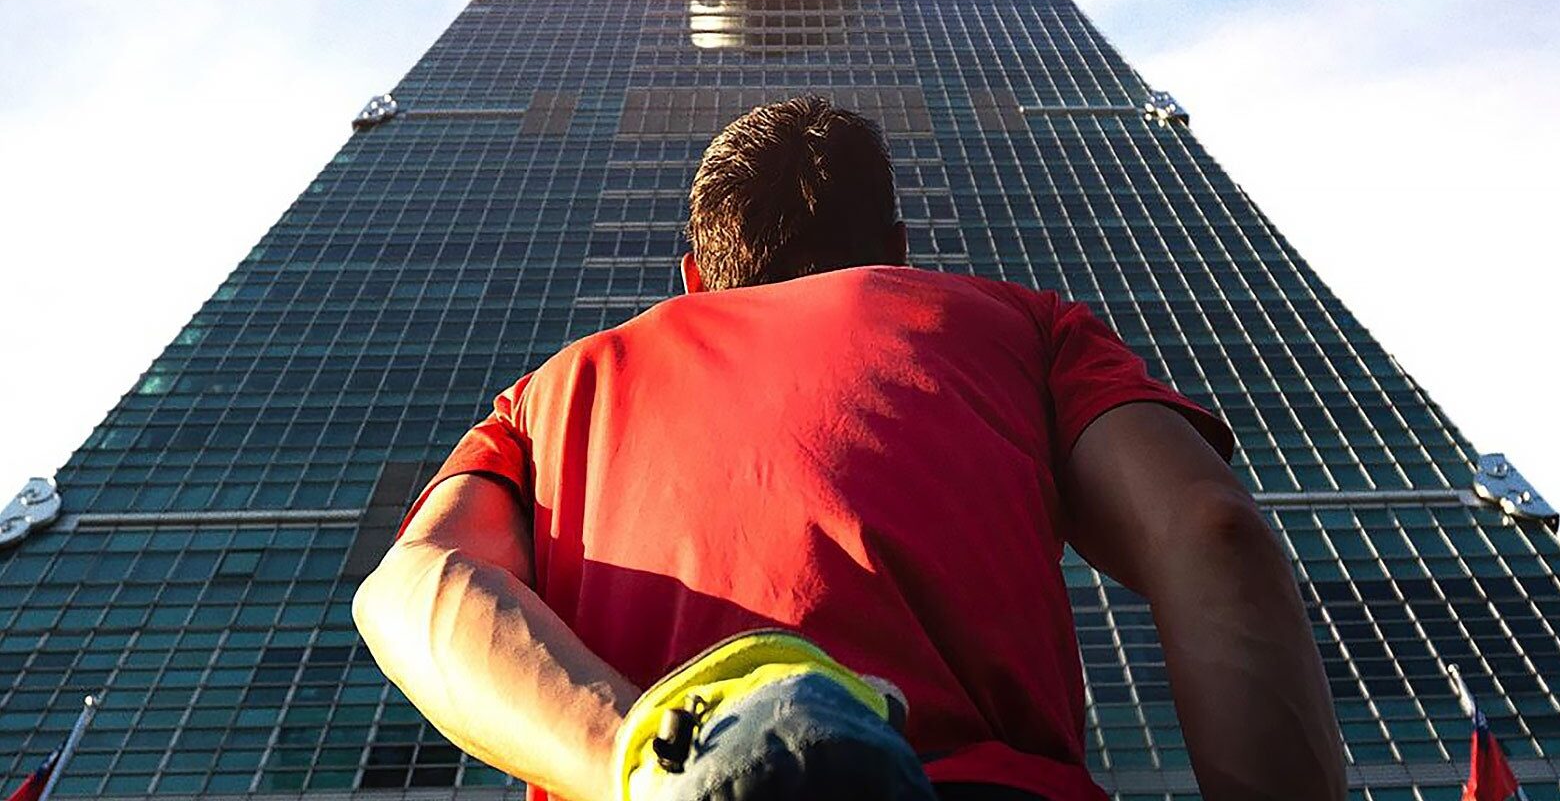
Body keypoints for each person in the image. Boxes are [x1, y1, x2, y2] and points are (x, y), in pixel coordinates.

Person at [354, 97, 1346, 801]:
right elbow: (1212, 531)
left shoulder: (555, 388)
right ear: (899, 253)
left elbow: (414, 587)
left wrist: (657, 761)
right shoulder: (1022, 325)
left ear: (695, 277)